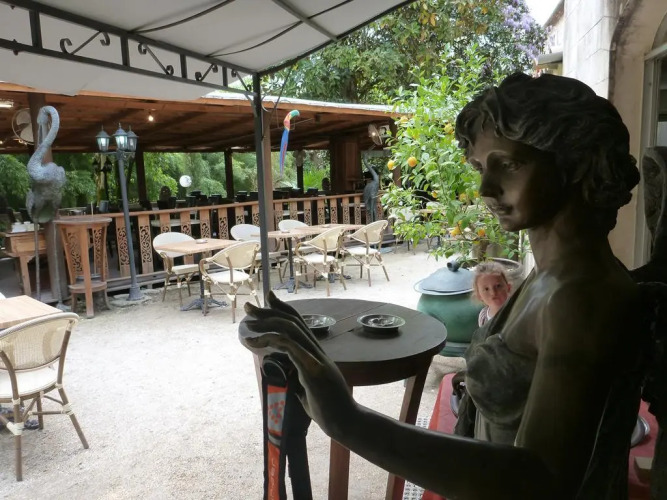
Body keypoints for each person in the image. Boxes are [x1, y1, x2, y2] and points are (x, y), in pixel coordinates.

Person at [240, 73, 652, 499]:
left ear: (574, 163)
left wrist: (349, 421)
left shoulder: (580, 296)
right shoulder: (549, 278)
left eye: (508, 165)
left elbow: (540, 479)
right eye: (480, 168)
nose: (485, 188)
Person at [472, 261, 511, 327]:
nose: (493, 293)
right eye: (486, 289)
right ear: (479, 295)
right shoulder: (483, 316)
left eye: (498, 286)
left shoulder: (516, 312)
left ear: (508, 288)